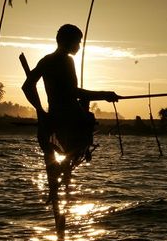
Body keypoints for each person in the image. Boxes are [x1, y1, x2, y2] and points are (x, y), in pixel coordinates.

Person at [22, 24, 119, 202]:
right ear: (67, 41)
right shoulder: (66, 61)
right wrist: (104, 95)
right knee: (88, 121)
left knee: (51, 149)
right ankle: (66, 166)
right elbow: (73, 93)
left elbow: (27, 86)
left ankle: (56, 182)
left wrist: (41, 112)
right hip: (69, 117)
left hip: (52, 117)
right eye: (77, 42)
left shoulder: (45, 60)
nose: (79, 46)